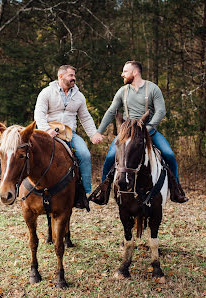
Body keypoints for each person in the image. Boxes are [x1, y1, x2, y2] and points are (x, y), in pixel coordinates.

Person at [92, 61, 187, 203]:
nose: (122, 74)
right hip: (127, 133)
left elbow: (161, 111)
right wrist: (99, 131)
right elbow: (112, 111)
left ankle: (176, 190)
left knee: (169, 155)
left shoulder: (153, 89)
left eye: (125, 71)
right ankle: (103, 191)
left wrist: (148, 128)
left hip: (149, 132)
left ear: (135, 72)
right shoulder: (122, 91)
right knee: (110, 157)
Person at [34, 65, 103, 208]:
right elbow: (39, 114)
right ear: (61, 76)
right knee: (30, 153)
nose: (74, 78)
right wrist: (46, 130)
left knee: (84, 155)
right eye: (71, 75)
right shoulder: (47, 92)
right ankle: (27, 188)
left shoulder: (79, 96)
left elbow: (85, 117)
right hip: (48, 133)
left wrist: (93, 134)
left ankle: (84, 193)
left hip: (70, 134)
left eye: (74, 75)